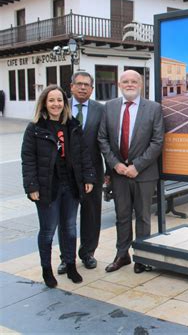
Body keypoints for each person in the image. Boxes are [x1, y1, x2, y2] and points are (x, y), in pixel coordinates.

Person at [21, 85, 96, 288]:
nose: (56, 104)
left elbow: (83, 154)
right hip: (47, 187)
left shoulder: (72, 125)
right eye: (51, 100)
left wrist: (88, 178)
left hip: (70, 185)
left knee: (70, 229)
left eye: (60, 100)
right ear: (44, 103)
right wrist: (31, 186)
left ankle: (70, 265)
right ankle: (47, 269)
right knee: (48, 230)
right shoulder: (35, 128)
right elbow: (28, 160)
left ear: (65, 103)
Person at [98, 70, 164, 274]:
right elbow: (102, 138)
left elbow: (157, 141)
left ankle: (142, 257)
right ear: (119, 84)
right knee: (122, 215)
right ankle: (122, 255)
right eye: (125, 81)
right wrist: (116, 165)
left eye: (133, 81)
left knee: (143, 216)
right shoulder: (109, 107)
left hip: (143, 174)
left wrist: (137, 166)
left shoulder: (154, 108)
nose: (129, 84)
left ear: (141, 84)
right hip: (118, 173)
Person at [57, 72, 104, 274]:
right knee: (66, 217)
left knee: (91, 215)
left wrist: (109, 170)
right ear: (71, 86)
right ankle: (66, 258)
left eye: (87, 85)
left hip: (93, 172)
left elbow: (106, 141)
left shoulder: (100, 110)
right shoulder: (59, 106)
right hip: (65, 174)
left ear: (92, 89)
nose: (83, 88)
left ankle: (87, 253)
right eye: (79, 84)